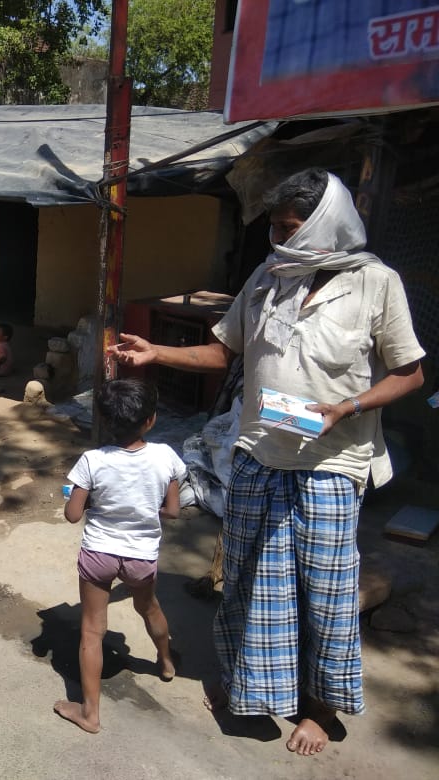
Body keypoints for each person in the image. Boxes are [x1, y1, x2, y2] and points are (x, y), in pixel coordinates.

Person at [109, 168, 425, 756]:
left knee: (324, 591)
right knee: (253, 579)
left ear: (326, 224)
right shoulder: (267, 278)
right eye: (274, 228)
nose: (278, 240)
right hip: (258, 455)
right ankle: (251, 687)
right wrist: (156, 352)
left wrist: (347, 406)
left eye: (289, 227)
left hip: (334, 463)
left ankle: (320, 710)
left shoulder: (375, 284)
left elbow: (410, 373)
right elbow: (223, 351)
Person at [53, 378, 186, 734]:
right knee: (150, 608)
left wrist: (90, 498)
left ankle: (90, 714)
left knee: (92, 631)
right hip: (141, 556)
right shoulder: (166, 457)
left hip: (99, 552)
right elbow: (172, 511)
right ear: (151, 420)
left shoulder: (92, 461)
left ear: (106, 420)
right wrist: (144, 508)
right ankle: (166, 662)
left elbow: (72, 514)